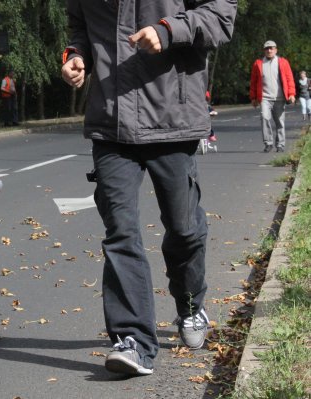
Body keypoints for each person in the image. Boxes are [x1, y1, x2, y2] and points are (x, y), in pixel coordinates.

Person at [61, 0, 237, 376]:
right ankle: (133, 341)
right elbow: (81, 25)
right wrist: (78, 55)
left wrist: (169, 30)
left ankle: (190, 305)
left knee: (184, 227)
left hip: (173, 118)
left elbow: (222, 14)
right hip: (111, 124)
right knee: (120, 233)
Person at [249, 40, 296, 153]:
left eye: (271, 48)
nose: (269, 50)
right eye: (267, 48)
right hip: (265, 98)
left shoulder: (283, 62)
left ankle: (280, 144)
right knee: (264, 117)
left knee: (280, 122)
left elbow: (290, 79)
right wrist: (253, 98)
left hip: (279, 98)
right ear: (264, 50)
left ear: (276, 50)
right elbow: (254, 81)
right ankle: (268, 143)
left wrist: (291, 94)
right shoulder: (258, 63)